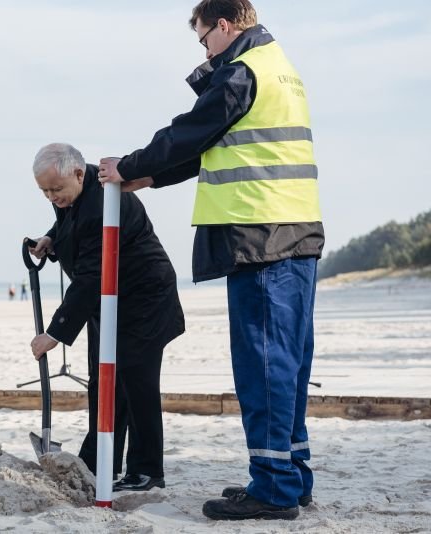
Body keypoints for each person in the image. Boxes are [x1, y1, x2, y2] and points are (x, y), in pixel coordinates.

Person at [96, 0, 323, 521]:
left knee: (263, 364)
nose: (204, 50)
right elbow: (219, 145)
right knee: (287, 363)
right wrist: (152, 176)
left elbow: (194, 129)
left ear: (224, 25)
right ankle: (291, 476)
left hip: (260, 234)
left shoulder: (244, 70)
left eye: (203, 39)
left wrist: (126, 164)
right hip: (295, 234)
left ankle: (273, 489)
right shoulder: (279, 68)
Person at [28, 143, 184, 492]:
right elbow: (71, 220)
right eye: (44, 191)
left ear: (78, 173)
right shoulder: (77, 192)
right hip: (109, 302)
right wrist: (51, 238)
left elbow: (90, 276)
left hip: (142, 299)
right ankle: (101, 461)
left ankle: (146, 472)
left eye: (56, 189)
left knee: (136, 383)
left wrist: (54, 333)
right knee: (104, 380)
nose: (52, 197)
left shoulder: (103, 200)